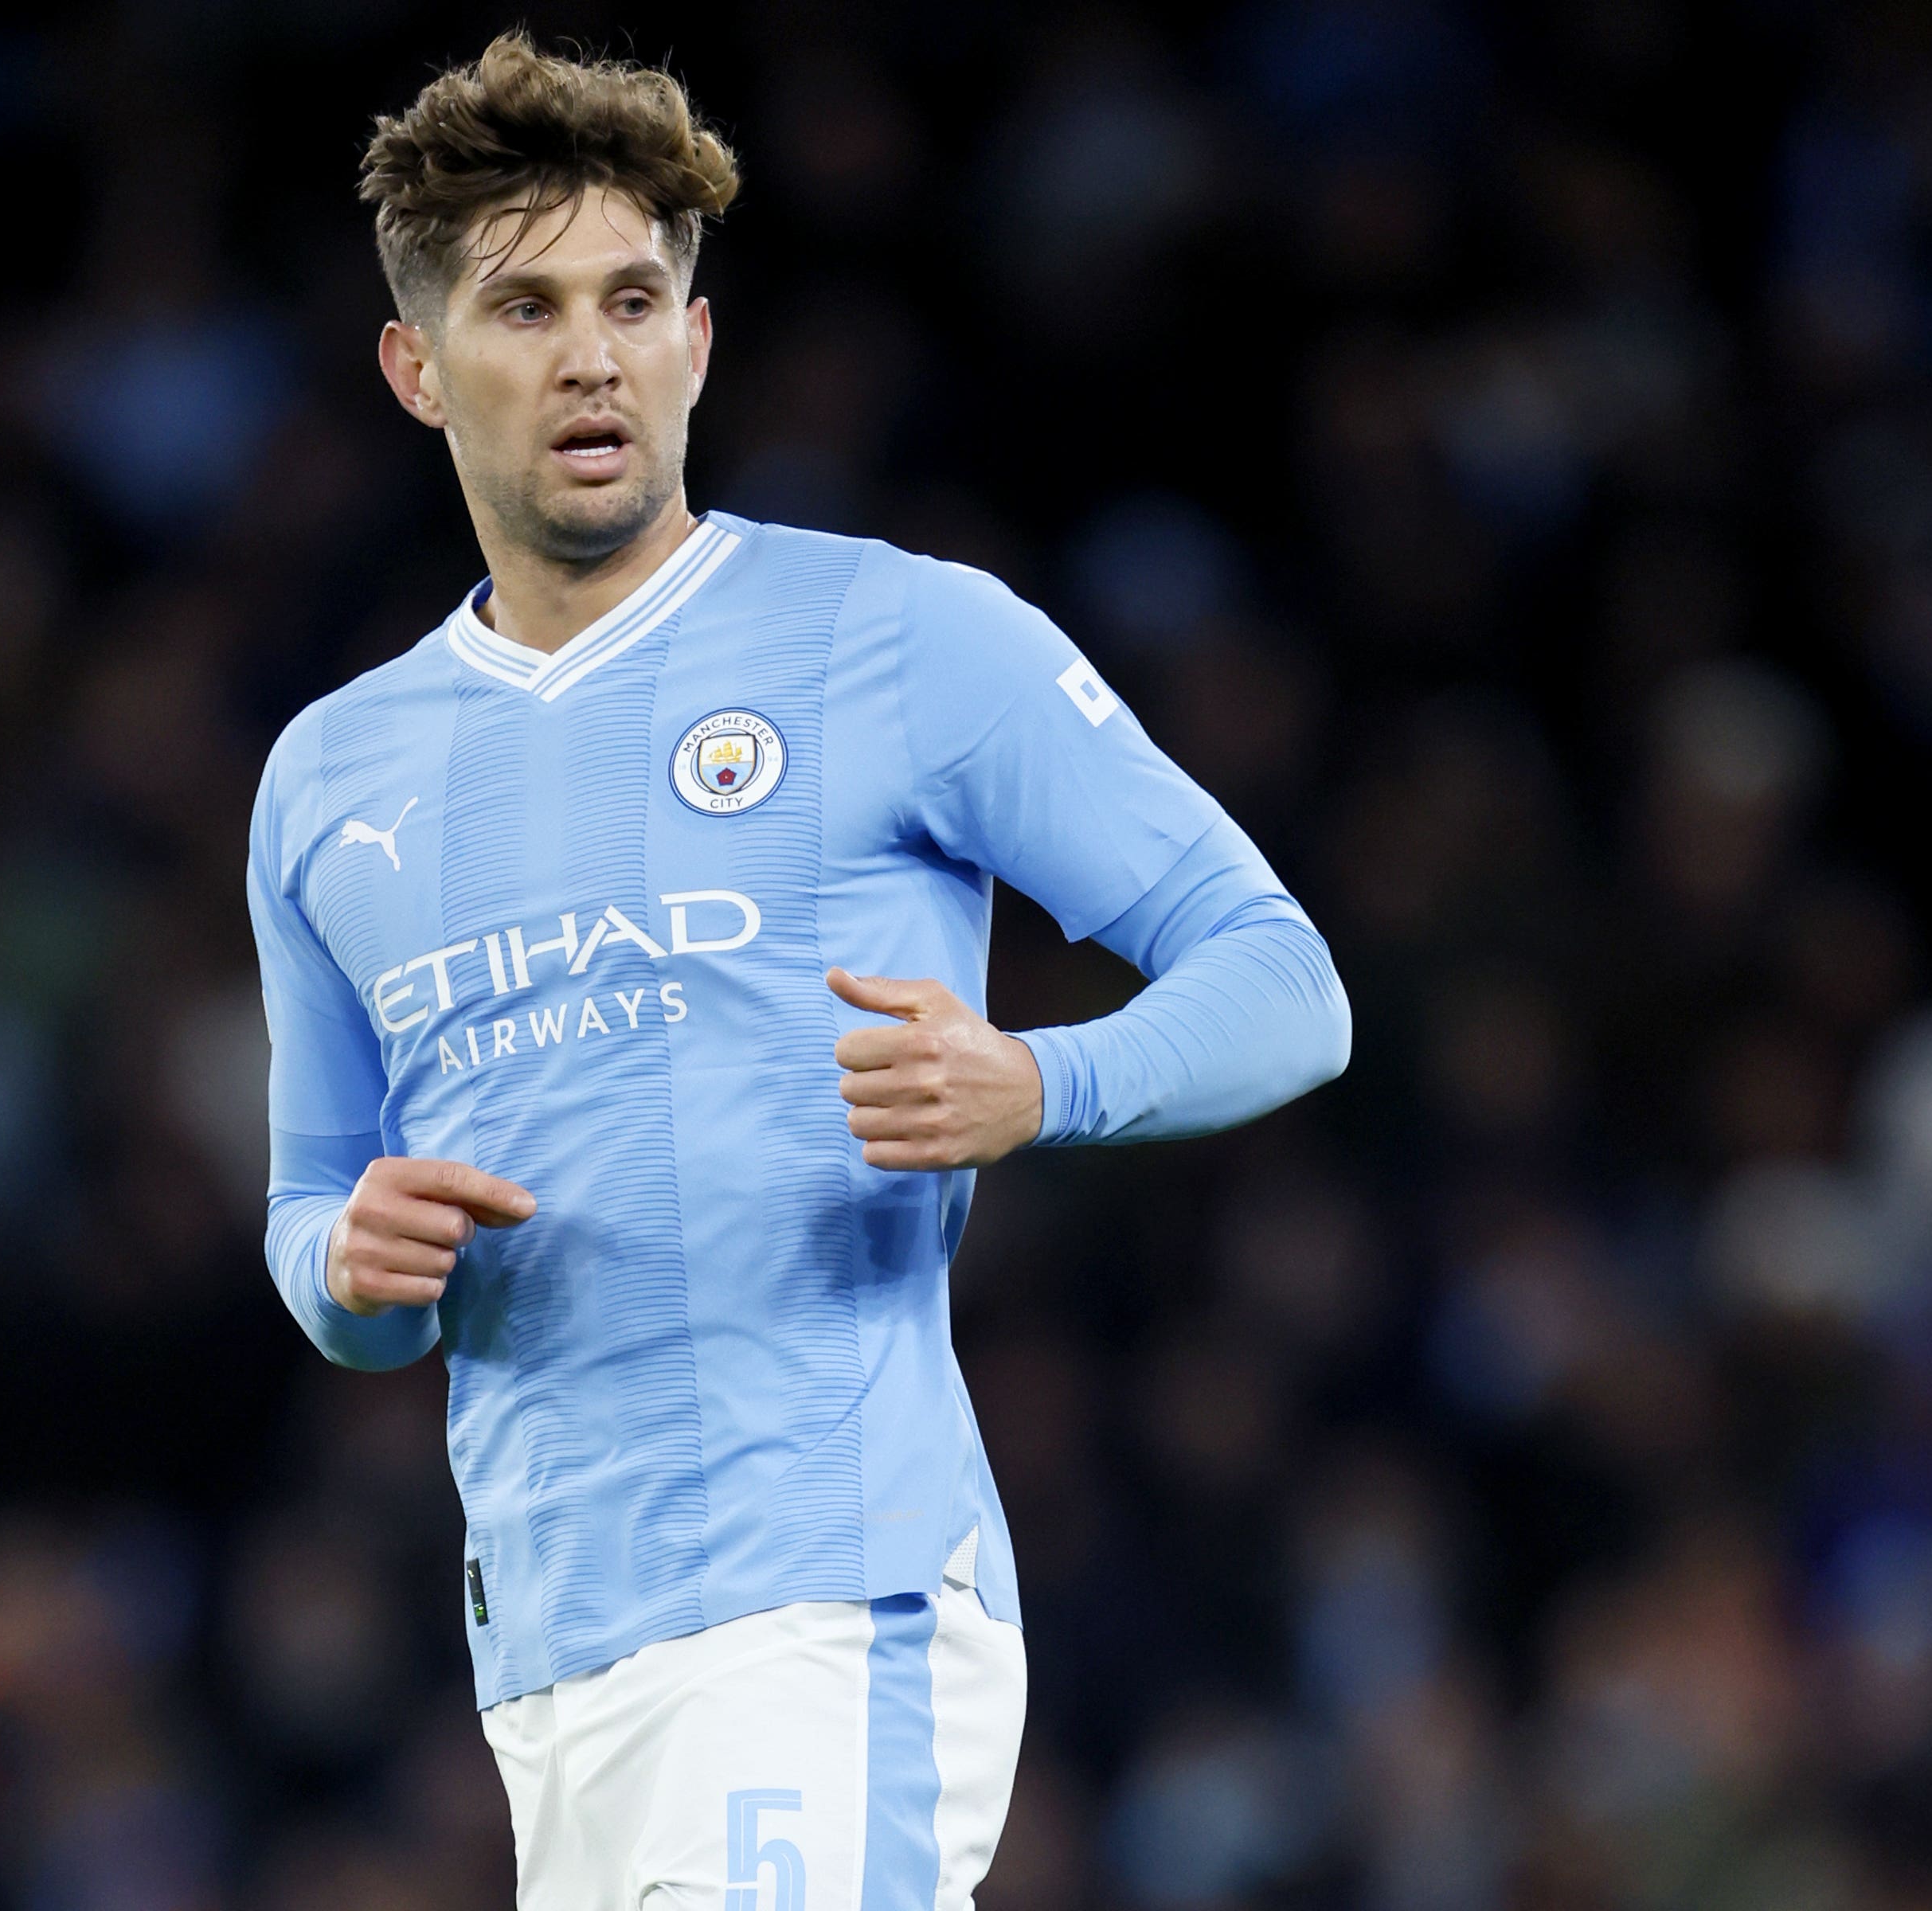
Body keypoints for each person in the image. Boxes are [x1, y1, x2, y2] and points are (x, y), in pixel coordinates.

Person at [244, 33, 1351, 1910]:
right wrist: (347, 1268)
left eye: (633, 301)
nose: (591, 353)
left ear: (697, 341)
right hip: (549, 1661)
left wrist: (1040, 1080)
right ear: (416, 369)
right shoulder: (330, 779)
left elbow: (1284, 980)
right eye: (524, 306)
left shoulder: (901, 638)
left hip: (829, 1599)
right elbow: (311, 1221)